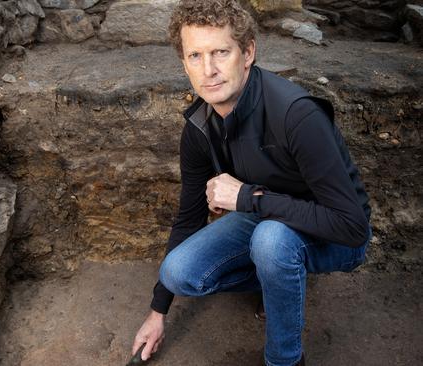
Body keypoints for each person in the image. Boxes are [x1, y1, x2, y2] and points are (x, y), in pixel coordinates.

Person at [129, 0, 372, 365]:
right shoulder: (199, 127)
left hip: (334, 233)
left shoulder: (296, 114)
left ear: (247, 53)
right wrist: (157, 313)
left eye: (220, 52)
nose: (208, 70)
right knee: (177, 272)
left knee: (271, 240)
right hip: (266, 212)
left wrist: (247, 198)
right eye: (195, 55)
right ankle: (278, 281)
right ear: (184, 63)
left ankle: (285, 359)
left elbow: (353, 228)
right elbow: (188, 218)